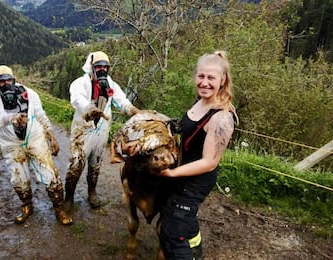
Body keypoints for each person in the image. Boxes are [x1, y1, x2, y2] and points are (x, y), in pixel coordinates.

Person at [158, 50, 239, 260]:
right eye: (201, 76)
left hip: (196, 181)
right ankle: (196, 250)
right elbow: (188, 128)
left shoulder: (221, 118)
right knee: (177, 216)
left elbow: (210, 162)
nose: (204, 82)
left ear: (223, 81)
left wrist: (172, 173)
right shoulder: (202, 100)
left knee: (173, 232)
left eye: (211, 78)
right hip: (183, 172)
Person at [0, 65, 73, 225]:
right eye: (1, 82)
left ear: (14, 79)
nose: (5, 84)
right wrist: (9, 118)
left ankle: (59, 208)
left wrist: (51, 136)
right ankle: (27, 206)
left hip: (34, 138)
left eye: (8, 80)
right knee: (19, 177)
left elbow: (40, 114)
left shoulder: (29, 94)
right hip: (11, 143)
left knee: (50, 174)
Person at [64, 51, 140, 211]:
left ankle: (92, 192)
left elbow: (121, 99)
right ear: (91, 67)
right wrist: (89, 108)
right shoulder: (80, 83)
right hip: (83, 129)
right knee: (76, 163)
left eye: (105, 67)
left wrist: (131, 109)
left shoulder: (110, 84)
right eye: (98, 66)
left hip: (102, 129)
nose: (102, 70)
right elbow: (77, 98)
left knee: (96, 162)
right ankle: (68, 197)